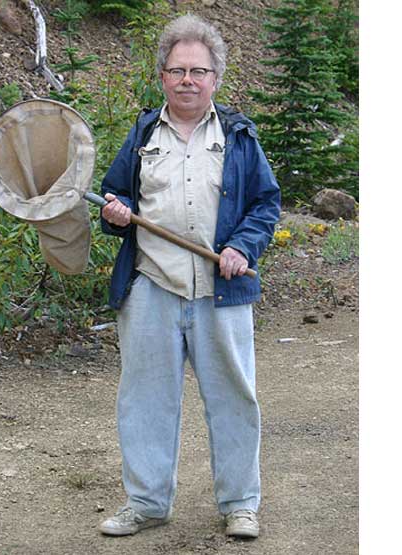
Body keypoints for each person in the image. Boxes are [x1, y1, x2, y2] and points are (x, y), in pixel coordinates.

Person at [95, 14, 281, 540]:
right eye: (177, 70)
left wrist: (242, 247)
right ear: (162, 77)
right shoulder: (141, 134)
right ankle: (148, 503)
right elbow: (119, 194)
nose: (187, 80)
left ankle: (241, 503)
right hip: (151, 284)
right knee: (145, 400)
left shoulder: (240, 135)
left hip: (221, 293)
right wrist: (117, 209)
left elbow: (266, 204)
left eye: (198, 70)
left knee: (233, 398)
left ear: (215, 78)